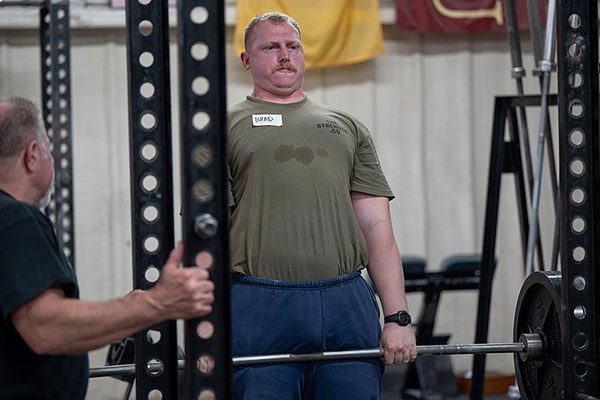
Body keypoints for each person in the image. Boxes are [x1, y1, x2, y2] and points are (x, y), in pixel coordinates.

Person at [228, 12, 417, 399]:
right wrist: (204, 330)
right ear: (247, 60)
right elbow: (204, 240)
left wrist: (397, 317)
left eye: (292, 46)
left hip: (344, 301)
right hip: (257, 306)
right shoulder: (223, 128)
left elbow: (377, 229)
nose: (284, 55)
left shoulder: (346, 126)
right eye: (271, 47)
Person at [0, 97, 215, 400]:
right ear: (32, 155)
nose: (52, 157)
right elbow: (45, 328)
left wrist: (133, 309)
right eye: (48, 147)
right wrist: (158, 303)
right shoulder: (14, 218)